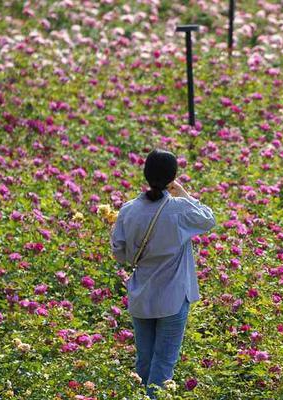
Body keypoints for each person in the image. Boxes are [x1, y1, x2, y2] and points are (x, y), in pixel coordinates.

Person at [110, 149, 215, 398]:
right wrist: (183, 193)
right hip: (173, 297)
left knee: (144, 364)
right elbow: (208, 220)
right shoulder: (179, 209)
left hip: (141, 295)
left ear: (145, 175)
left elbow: (120, 255)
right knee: (162, 368)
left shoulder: (128, 210)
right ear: (172, 177)